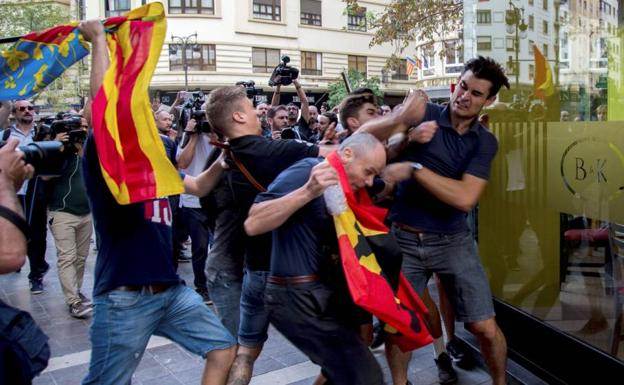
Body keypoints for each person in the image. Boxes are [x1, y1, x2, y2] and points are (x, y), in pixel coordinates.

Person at [79, 20, 236, 385]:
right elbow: (106, 112)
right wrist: (100, 42)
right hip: (124, 298)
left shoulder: (158, 167)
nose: (145, 119)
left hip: (170, 292)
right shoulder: (107, 162)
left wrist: (226, 160)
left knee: (223, 349)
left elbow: (196, 185)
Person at [363, 56, 510, 385]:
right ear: (454, 84)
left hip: (452, 240)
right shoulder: (423, 114)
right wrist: (406, 132)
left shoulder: (484, 141)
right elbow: (369, 145)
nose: (464, 96)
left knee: (482, 327)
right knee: (399, 326)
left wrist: (415, 170)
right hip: (403, 238)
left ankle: (501, 382)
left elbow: (464, 197)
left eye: (476, 93)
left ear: (489, 100)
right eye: (463, 86)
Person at [200, 86, 333, 384]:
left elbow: (202, 198)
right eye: (250, 106)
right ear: (237, 115)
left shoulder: (227, 156)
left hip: (254, 270)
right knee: (340, 353)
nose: (257, 110)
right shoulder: (272, 150)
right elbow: (338, 156)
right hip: (290, 272)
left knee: (245, 351)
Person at [244, 133, 386, 385]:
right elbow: (254, 223)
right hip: (295, 296)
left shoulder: (344, 187)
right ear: (348, 155)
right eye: (368, 171)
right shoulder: (309, 170)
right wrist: (307, 191)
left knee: (347, 370)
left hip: (322, 294)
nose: (368, 181)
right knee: (365, 376)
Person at [46, 119, 94, 318]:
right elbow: (44, 176)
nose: (81, 132)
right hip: (62, 213)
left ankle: (76, 292)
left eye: (84, 128)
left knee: (81, 258)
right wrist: (57, 145)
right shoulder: (57, 151)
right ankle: (73, 301)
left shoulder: (87, 151)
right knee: (67, 258)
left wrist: (82, 148)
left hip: (86, 213)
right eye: (77, 129)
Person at [6, 99, 49, 294]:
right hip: (14, 192)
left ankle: (36, 274)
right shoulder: (6, 135)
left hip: (35, 192)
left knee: (37, 235)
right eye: (21, 109)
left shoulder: (42, 134)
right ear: (14, 113)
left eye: (30, 108)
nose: (27, 111)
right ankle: (17, 258)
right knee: (16, 230)